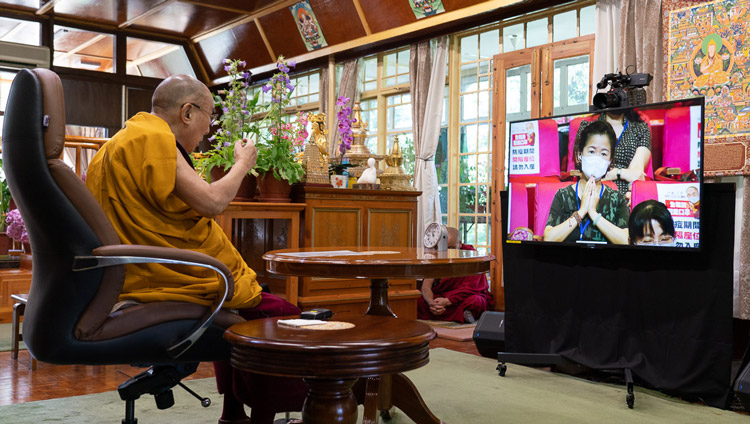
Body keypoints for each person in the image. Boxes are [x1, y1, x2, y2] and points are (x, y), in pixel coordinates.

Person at [86, 74, 306, 424]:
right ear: (187, 112)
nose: (206, 133)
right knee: (283, 317)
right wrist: (242, 164)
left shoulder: (117, 144)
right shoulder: (153, 138)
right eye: (208, 120)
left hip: (142, 274)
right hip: (176, 276)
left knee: (234, 317)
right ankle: (268, 412)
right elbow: (212, 201)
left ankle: (232, 413)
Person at [545, 120, 629, 244]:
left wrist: (594, 214)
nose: (597, 158)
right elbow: (549, 238)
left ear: (610, 160)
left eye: (604, 154)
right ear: (579, 154)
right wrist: (581, 212)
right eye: (591, 151)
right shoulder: (563, 196)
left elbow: (625, 241)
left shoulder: (617, 199)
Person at [417, 227, 494, 323]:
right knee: (417, 298)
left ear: (460, 244)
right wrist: (431, 303)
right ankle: (461, 314)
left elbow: (471, 288)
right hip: (440, 299)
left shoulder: (470, 256)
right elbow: (426, 286)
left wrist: (448, 300)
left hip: (458, 299)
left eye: (451, 248)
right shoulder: (437, 254)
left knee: (477, 301)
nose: (448, 252)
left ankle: (463, 313)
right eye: (445, 248)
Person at [576, 108, 652, 194]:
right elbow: (586, 167)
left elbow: (635, 174)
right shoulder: (588, 126)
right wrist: (624, 173)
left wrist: (615, 173)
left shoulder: (640, 129)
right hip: (593, 188)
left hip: (625, 192)